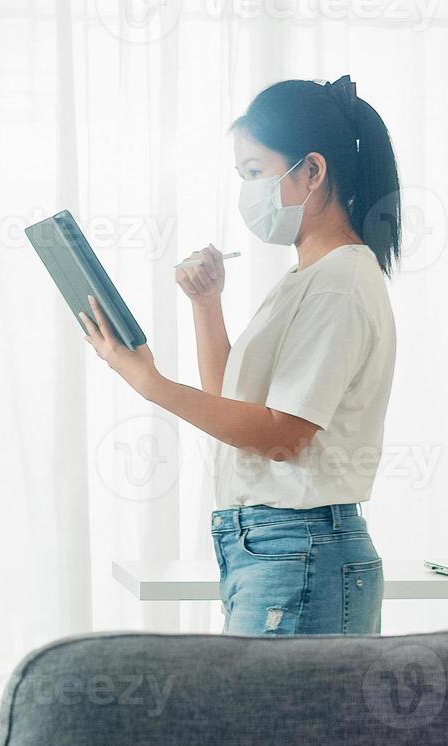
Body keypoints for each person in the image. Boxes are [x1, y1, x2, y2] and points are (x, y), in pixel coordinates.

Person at [80, 74, 401, 635]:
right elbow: (234, 400)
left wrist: (149, 383)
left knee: (270, 725)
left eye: (255, 172)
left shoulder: (339, 283)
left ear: (312, 170)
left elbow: (282, 435)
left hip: (298, 546)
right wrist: (207, 304)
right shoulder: (308, 277)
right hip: (266, 544)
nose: (247, 192)